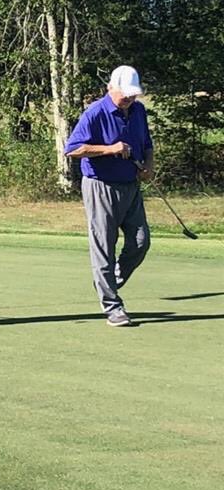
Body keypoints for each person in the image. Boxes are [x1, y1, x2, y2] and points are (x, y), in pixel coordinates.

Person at [65, 65, 154, 327]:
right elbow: (73, 149)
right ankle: (112, 306)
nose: (129, 99)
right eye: (125, 94)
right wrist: (109, 149)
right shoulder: (95, 112)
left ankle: (109, 282)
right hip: (100, 185)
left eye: (133, 95)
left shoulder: (138, 111)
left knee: (140, 241)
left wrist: (149, 166)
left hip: (130, 185)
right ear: (110, 87)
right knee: (105, 245)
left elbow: (147, 144)